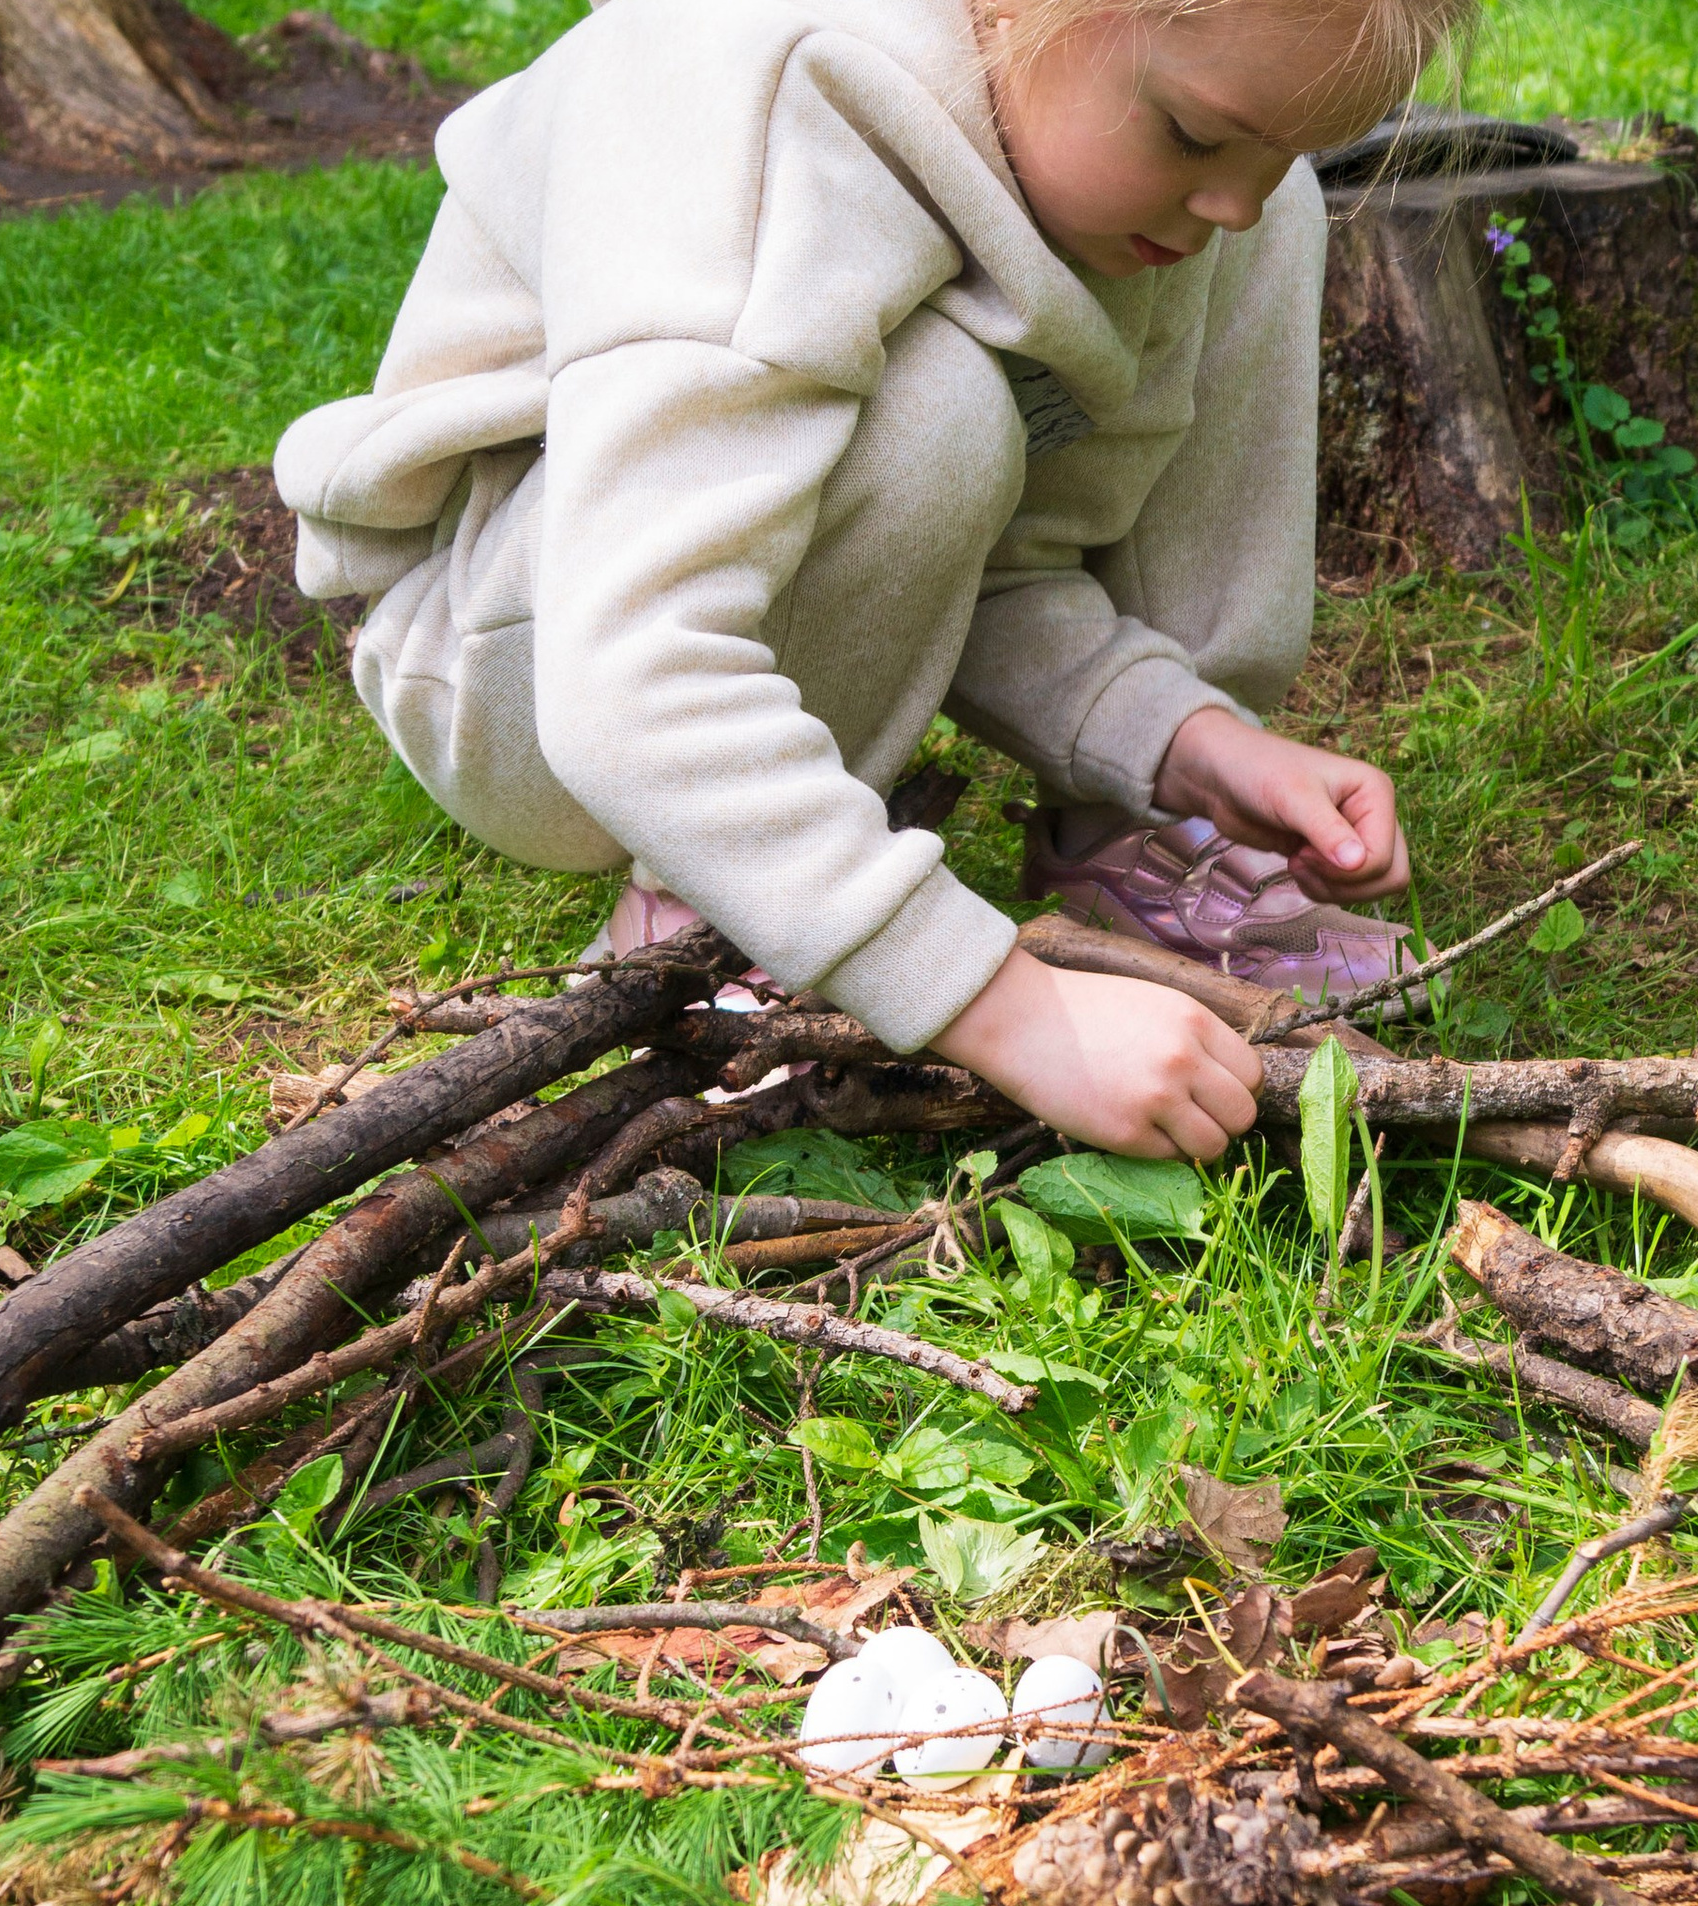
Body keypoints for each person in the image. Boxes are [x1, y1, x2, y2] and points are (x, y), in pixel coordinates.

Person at [278, 0, 1457, 1161]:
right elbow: (630, 673)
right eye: (1195, 137)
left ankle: (1142, 837)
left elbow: (999, 565)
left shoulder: (1155, 166)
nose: (1226, 199)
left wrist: (1185, 740)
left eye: (1280, 144)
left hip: (673, 625)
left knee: (1264, 232)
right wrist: (1013, 1012)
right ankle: (719, 908)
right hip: (523, 651)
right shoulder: (760, 90)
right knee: (936, 403)